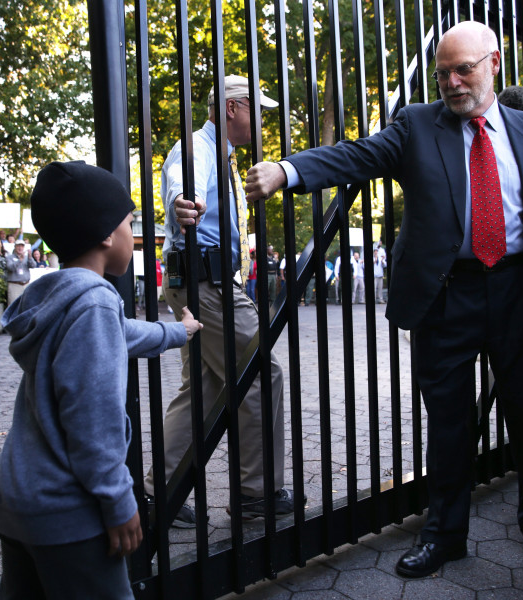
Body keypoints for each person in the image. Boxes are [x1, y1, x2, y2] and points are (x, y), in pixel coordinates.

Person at [245, 21, 523, 580]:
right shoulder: (417, 125)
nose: (451, 82)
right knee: (449, 426)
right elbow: (358, 155)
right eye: (443, 72)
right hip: (448, 297)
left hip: (522, 295)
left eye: (463, 69)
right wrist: (288, 169)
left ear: (493, 64)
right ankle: (444, 536)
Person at [0, 161, 201, 599]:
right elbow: (93, 417)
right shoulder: (95, 305)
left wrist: (180, 331)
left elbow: (125, 333)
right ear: (106, 235)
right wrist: (119, 500)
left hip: (17, 497)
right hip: (66, 508)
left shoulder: (60, 296)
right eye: (128, 222)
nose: (133, 233)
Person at [149, 74, 296, 526]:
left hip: (202, 281)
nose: (262, 118)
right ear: (232, 107)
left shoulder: (224, 156)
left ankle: (156, 494)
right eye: (257, 107)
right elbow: (180, 184)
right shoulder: (199, 146)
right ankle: (256, 493)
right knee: (260, 372)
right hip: (207, 285)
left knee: (206, 387)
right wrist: (180, 203)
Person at [0, 238, 37, 305]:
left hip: (25, 284)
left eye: (22, 246)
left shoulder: (26, 257)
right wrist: (19, 260)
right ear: (15, 247)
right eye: (18, 246)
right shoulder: (9, 257)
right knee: (13, 306)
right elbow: (10, 268)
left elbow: (33, 266)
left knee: (26, 305)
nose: (20, 248)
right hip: (14, 285)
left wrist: (30, 257)